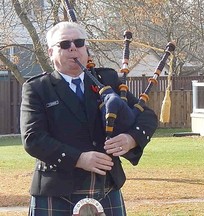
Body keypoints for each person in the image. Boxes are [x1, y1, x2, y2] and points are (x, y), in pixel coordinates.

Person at [20, 21, 158, 216]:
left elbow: (147, 117)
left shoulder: (106, 80)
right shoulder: (38, 88)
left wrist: (131, 139)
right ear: (51, 52)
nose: (73, 48)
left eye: (79, 42)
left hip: (105, 186)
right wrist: (79, 159)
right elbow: (33, 139)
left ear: (86, 48)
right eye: (65, 44)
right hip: (56, 189)